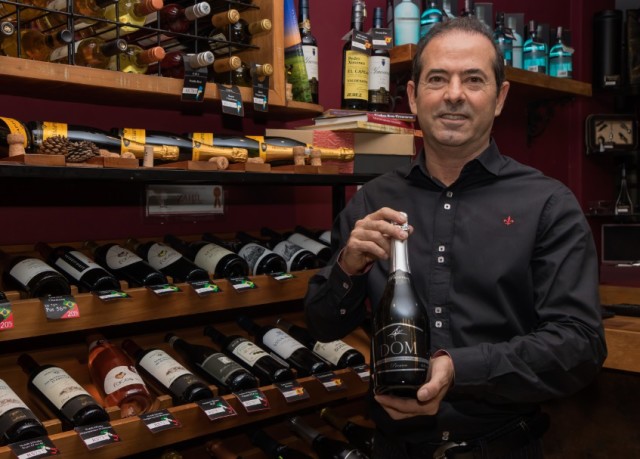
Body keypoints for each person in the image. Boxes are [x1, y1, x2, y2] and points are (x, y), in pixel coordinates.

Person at [304, 16, 607, 459]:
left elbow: (580, 345)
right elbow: (322, 325)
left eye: (474, 79)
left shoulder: (547, 204)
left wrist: (458, 369)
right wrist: (349, 267)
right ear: (413, 96)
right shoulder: (372, 201)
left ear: (500, 98)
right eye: (438, 78)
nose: (454, 94)